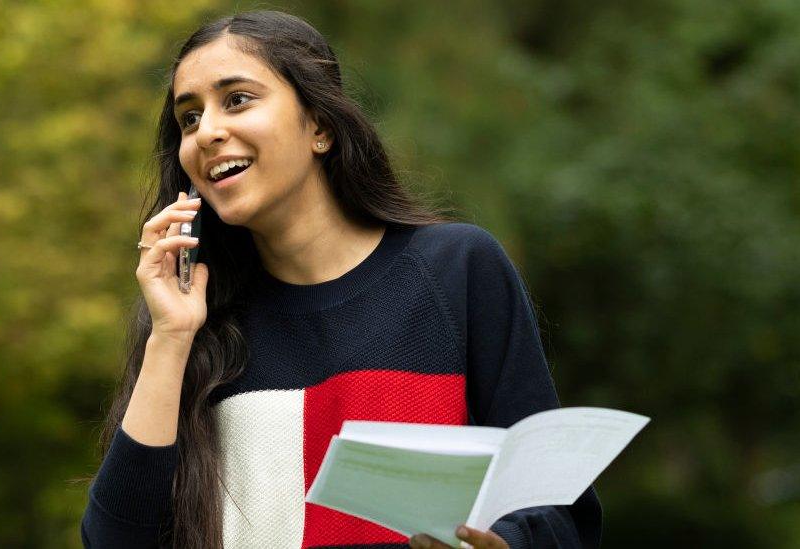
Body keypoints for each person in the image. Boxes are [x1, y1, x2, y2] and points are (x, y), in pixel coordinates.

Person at [80, 9, 601, 549]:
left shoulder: (457, 269)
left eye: (237, 99)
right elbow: (114, 541)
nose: (207, 132)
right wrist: (170, 339)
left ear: (320, 126)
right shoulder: (192, 318)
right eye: (188, 118)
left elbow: (558, 508)